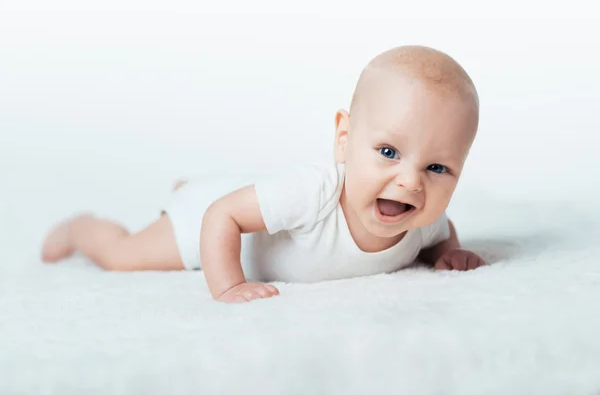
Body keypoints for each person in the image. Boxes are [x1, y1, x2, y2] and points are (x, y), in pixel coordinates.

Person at [41, 45, 487, 303]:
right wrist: (229, 284)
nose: (411, 182)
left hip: (249, 202)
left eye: (437, 167)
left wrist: (450, 252)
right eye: (388, 151)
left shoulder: (423, 216)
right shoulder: (314, 192)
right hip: (208, 220)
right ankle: (81, 228)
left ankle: (189, 183)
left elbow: (441, 231)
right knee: (123, 257)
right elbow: (223, 215)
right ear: (344, 139)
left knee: (250, 195)